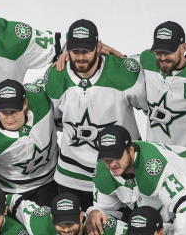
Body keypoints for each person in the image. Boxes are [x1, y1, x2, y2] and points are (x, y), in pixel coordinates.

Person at [44, 19, 147, 207]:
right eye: (75, 51)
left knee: (126, 233)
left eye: (86, 51)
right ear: (67, 50)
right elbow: (57, 121)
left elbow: (152, 103)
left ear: (99, 46)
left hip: (120, 172)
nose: (81, 57)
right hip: (72, 176)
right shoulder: (56, 76)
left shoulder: (123, 73)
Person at [0, 79, 58, 205]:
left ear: (24, 104)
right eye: (4, 112)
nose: (10, 118)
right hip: (7, 190)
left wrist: (62, 59)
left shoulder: (40, 99)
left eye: (14, 111)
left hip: (49, 182)